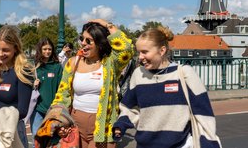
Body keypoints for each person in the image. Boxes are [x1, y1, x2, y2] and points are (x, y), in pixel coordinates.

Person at [112, 26, 221, 148]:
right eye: (139, 52)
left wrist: (209, 143)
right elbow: (129, 108)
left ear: (162, 50)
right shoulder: (138, 74)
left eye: (145, 52)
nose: (140, 57)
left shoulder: (185, 73)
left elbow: (203, 114)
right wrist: (120, 125)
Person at [50, 19, 134, 148]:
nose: (83, 43)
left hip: (103, 125)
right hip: (76, 123)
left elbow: (126, 48)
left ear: (100, 44)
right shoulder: (73, 63)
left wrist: (106, 24)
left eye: (88, 41)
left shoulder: (110, 63)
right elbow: (63, 94)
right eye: (81, 39)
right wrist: (59, 120)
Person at [30, 37, 63, 145]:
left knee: (53, 140)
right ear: (40, 49)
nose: (47, 51)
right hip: (37, 109)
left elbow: (62, 88)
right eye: (44, 49)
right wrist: (33, 85)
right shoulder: (34, 67)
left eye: (49, 49)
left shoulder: (57, 67)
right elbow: (26, 87)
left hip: (53, 110)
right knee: (38, 139)